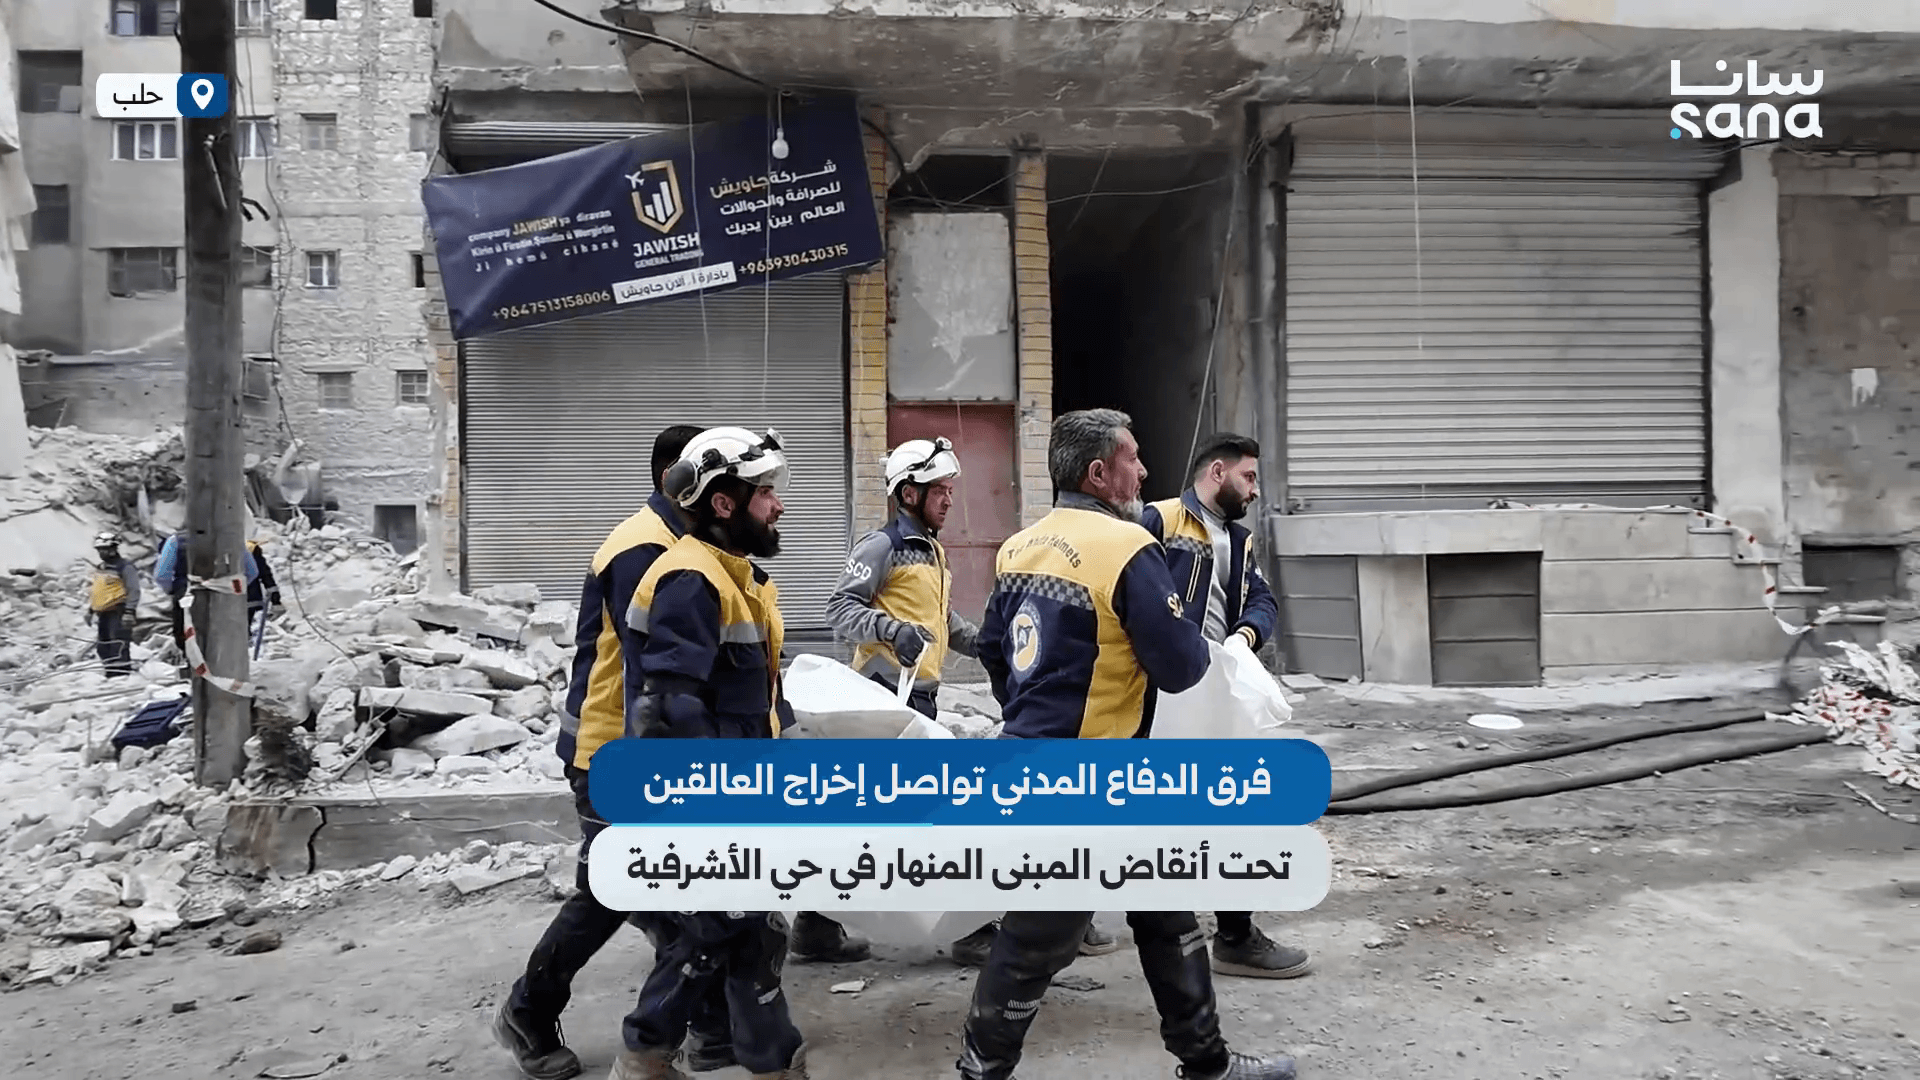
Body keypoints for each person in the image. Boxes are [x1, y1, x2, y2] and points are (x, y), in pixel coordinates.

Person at [960, 409, 1297, 1080]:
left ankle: (1208, 1064)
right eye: (1133, 460)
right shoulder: (1128, 549)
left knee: (1167, 914)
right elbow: (1180, 667)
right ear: (1099, 473)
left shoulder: (1017, 547)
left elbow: (995, 651)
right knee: (1034, 941)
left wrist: (1031, 714)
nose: (1143, 472)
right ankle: (979, 1071)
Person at [493, 425, 742, 1080]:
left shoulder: (682, 543)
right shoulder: (644, 549)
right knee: (637, 892)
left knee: (651, 890)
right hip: (614, 750)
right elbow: (655, 676)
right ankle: (530, 1011)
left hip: (636, 747)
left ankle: (707, 1025)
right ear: (676, 480)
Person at [827, 437, 1115, 966]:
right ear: (908, 493)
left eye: (950, 489)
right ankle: (973, 929)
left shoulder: (932, 552)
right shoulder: (882, 546)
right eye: (939, 490)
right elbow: (840, 607)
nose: (949, 499)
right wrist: (890, 629)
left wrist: (991, 643)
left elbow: (942, 623)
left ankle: (816, 924)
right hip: (882, 703)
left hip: (918, 702)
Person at [614, 426, 810, 1080]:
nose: (778, 505)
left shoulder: (735, 577)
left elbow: (752, 693)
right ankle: (645, 1054)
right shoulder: (690, 580)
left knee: (748, 932)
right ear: (724, 504)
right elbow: (671, 708)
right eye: (765, 493)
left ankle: (768, 1060)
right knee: (718, 928)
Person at [1140, 433, 1310, 982]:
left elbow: (1262, 598)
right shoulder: (1158, 522)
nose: (1255, 490)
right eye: (1249, 477)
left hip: (1216, 690)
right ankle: (1071, 919)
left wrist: (1244, 636)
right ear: (1217, 472)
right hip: (1161, 693)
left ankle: (1234, 935)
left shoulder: (1239, 540)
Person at [154, 526, 260, 665]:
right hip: (224, 597)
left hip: (188, 596)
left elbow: (162, 575)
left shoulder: (176, 540)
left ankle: (195, 669)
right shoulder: (233, 539)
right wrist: (231, 587)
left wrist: (174, 591)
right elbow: (251, 571)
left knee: (189, 640)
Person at [85, 532, 140, 678]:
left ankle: (122, 674)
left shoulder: (125, 567)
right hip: (103, 613)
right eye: (99, 550)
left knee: (118, 645)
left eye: (104, 549)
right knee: (103, 646)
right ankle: (111, 674)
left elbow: (133, 590)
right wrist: (90, 610)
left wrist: (129, 611)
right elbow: (98, 590)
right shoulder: (101, 567)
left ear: (114, 548)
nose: (101, 553)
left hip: (118, 611)